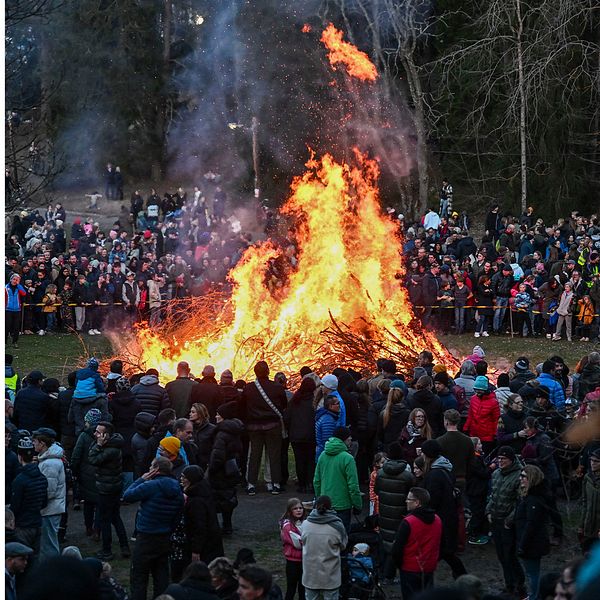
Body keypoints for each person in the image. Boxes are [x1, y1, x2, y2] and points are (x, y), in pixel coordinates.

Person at [123, 456, 185, 600]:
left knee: (139, 575)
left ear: (156, 469)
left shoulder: (151, 486)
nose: (149, 469)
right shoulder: (177, 489)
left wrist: (141, 479)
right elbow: (178, 516)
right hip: (164, 537)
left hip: (146, 536)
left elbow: (127, 496)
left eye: (151, 466)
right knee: (161, 575)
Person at [420, 439, 466, 579]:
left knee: (440, 553)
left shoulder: (433, 475)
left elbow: (432, 500)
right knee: (446, 553)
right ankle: (461, 577)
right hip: (448, 518)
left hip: (440, 520)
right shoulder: (446, 469)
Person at [242, 361, 287, 496]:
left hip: (254, 427)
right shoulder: (277, 388)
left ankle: (251, 484)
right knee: (274, 455)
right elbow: (283, 405)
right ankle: (275, 484)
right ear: (268, 372)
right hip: (273, 425)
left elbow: (242, 406)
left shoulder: (248, 388)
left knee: (254, 455)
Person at [486, 445, 526, 597]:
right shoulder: (496, 474)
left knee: (510, 554)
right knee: (501, 555)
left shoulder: (519, 476)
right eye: (499, 459)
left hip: (508, 523)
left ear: (511, 460)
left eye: (503, 459)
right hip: (495, 519)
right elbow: (493, 494)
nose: (500, 461)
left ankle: (519, 583)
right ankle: (509, 584)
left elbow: (520, 501)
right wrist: (488, 510)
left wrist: (510, 520)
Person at [87, 421, 129, 560]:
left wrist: (98, 445)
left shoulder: (109, 449)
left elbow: (93, 459)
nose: (95, 434)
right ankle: (124, 547)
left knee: (106, 519)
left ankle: (107, 550)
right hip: (114, 486)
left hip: (107, 489)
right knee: (115, 517)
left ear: (106, 435)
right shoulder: (114, 444)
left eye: (98, 432)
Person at [391, 487, 442, 600]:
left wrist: (399, 565)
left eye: (409, 499)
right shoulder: (437, 520)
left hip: (410, 569)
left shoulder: (408, 522)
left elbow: (397, 549)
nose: (406, 501)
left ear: (417, 502)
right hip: (429, 567)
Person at [374, 441, 414, 582]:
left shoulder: (380, 473)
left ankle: (383, 571)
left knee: (384, 541)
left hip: (384, 513)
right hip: (400, 515)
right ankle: (389, 575)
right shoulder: (407, 476)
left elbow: (376, 491)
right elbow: (411, 494)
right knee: (396, 544)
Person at [313, 427, 362, 533]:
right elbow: (353, 485)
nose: (350, 441)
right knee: (342, 537)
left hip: (325, 504)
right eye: (349, 439)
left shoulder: (322, 455)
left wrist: (319, 498)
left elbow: (316, 481)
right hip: (342, 505)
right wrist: (358, 504)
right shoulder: (348, 458)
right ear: (344, 440)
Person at [301, 495, 347, 600]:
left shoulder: (306, 525)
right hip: (330, 574)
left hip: (310, 572)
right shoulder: (337, 526)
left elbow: (302, 542)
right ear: (331, 507)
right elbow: (343, 545)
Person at [208, 401, 244, 535]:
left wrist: (211, 469)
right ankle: (227, 524)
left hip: (220, 472)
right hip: (231, 470)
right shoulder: (235, 430)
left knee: (215, 498)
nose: (216, 417)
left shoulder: (221, 433)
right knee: (228, 498)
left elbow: (217, 454)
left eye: (218, 415)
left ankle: (215, 526)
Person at [515, 465, 550, 600]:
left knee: (532, 573)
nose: (520, 479)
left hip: (532, 543)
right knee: (531, 572)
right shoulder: (530, 496)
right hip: (529, 541)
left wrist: (522, 545)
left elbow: (532, 524)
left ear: (532, 479)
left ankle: (535, 596)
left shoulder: (534, 499)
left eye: (524, 476)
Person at [10, 437, 48, 556]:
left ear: (19, 456)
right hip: (37, 522)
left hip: (23, 525)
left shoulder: (19, 480)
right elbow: (44, 502)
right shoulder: (42, 477)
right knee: (35, 557)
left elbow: (15, 506)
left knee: (22, 557)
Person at [32, 427, 66, 562]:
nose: (33, 444)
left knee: (49, 545)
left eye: (34, 441)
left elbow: (48, 492)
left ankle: (53, 572)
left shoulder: (49, 464)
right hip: (51, 508)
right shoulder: (47, 460)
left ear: (42, 443)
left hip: (49, 510)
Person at [70, 408, 102, 538]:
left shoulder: (83, 436)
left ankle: (89, 528)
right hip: (101, 473)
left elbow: (76, 455)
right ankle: (97, 529)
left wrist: (75, 471)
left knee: (88, 503)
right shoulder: (104, 434)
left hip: (85, 473)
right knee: (100, 504)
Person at [284, 377, 317, 493]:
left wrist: (290, 429)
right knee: (310, 460)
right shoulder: (314, 401)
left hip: (296, 436)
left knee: (299, 460)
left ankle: (302, 484)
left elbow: (287, 417)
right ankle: (310, 483)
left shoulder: (295, 400)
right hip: (311, 435)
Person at [436, 409, 474, 492]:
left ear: (446, 421)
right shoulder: (468, 440)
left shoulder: (439, 441)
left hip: (445, 479)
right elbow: (471, 463)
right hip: (462, 480)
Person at [69, 358, 108, 436]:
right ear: (96, 367)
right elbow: (100, 387)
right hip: (96, 434)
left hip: (78, 396)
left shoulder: (79, 373)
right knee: (104, 396)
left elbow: (70, 418)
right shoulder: (95, 375)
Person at [463, 376, 500, 456]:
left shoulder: (493, 402)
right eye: (476, 389)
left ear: (485, 389)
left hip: (486, 437)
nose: (477, 392)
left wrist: (495, 434)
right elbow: (471, 415)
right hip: (474, 434)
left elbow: (496, 420)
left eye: (479, 389)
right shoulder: (473, 399)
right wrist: (466, 428)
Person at [280, 498, 306, 600]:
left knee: (303, 588)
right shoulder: (287, 526)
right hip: (292, 562)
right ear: (290, 511)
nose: (299, 510)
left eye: (300, 508)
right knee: (291, 588)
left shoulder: (304, 523)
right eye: (295, 508)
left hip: (304, 561)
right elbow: (299, 543)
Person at [376, 383, 410, 452]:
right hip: (403, 445)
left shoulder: (384, 413)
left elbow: (380, 433)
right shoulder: (407, 413)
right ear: (402, 398)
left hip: (387, 445)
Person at [189, 402, 216, 470]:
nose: (190, 414)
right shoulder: (189, 428)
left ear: (200, 413)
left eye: (193, 412)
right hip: (191, 463)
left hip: (205, 464)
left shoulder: (212, 429)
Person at [5, 273, 27, 348]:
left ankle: (15, 342)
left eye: (17, 280)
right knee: (7, 326)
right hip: (8, 309)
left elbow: (24, 293)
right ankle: (4, 341)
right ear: (11, 279)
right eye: (14, 279)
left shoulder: (19, 287)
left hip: (17, 309)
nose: (15, 281)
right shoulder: (5, 287)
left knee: (16, 327)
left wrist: (19, 285)